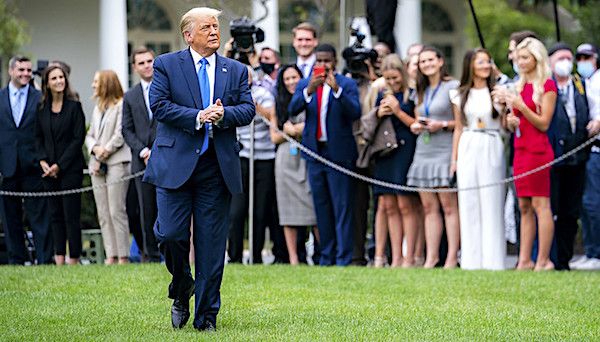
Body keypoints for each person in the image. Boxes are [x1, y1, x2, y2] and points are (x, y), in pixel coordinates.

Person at [145, 7, 254, 331]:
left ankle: (207, 317)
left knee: (210, 247)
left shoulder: (234, 70)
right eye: (207, 27)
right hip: (175, 165)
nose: (214, 32)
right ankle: (182, 287)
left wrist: (224, 116)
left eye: (216, 27)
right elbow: (159, 105)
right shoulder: (166, 65)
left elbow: (247, 109)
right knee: (170, 235)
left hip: (216, 167)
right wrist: (198, 116)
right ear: (188, 34)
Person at [289, 44, 361, 266]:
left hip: (339, 155)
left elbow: (355, 112)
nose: (322, 65)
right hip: (315, 155)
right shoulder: (305, 84)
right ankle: (326, 257)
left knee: (342, 208)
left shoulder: (346, 84)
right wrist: (308, 91)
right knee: (321, 208)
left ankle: (343, 258)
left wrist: (337, 90)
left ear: (334, 61)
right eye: (318, 61)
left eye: (326, 61)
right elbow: (292, 110)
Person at [502, 38, 557, 271]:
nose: (521, 62)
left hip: (538, 151)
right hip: (521, 151)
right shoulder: (518, 86)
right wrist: (510, 121)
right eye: (519, 57)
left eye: (525, 57)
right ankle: (524, 260)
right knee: (523, 205)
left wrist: (522, 108)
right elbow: (514, 122)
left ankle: (544, 260)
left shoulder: (547, 86)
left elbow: (544, 123)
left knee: (540, 204)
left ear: (537, 58)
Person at [450, 48, 506, 270]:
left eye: (487, 61)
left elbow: (504, 123)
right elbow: (458, 127)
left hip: (491, 142)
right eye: (480, 61)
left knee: (491, 199)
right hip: (468, 143)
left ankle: (494, 260)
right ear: (470, 65)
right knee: (469, 201)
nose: (485, 65)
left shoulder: (498, 92)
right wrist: (454, 159)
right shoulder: (459, 93)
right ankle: (471, 260)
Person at [406, 46, 460, 269]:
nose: (426, 64)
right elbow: (417, 117)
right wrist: (417, 126)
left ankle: (451, 258)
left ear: (440, 61)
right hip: (423, 149)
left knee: (448, 206)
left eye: (430, 60)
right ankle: (431, 257)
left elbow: (461, 123)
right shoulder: (420, 89)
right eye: (422, 61)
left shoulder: (453, 86)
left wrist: (443, 125)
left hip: (445, 148)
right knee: (428, 207)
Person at [0, 56, 52, 265]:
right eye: (21, 70)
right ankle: (16, 259)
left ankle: (44, 259)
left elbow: (45, 132)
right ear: (11, 71)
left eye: (29, 70)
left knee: (39, 216)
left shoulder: (40, 97)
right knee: (10, 217)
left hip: (33, 164)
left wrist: (44, 158)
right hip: (7, 166)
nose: (25, 74)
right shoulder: (0, 97)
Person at [546, 43, 592, 270]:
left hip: (578, 157)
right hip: (553, 158)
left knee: (571, 211)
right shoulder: (546, 86)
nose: (566, 62)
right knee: (551, 209)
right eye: (560, 58)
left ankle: (564, 259)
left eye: (568, 57)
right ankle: (549, 257)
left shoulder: (582, 85)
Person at [35, 64, 86, 265]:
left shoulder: (75, 106)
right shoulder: (41, 109)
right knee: (54, 215)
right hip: (47, 171)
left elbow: (77, 139)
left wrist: (60, 165)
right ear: (47, 83)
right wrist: (43, 162)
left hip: (70, 170)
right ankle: (59, 259)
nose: (59, 81)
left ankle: (73, 259)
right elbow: (37, 138)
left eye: (61, 77)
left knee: (71, 216)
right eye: (54, 78)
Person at [371, 54, 418, 268]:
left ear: (403, 73)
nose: (392, 82)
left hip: (405, 149)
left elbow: (416, 124)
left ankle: (409, 257)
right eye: (387, 78)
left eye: (395, 77)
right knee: (388, 205)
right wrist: (378, 113)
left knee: (404, 204)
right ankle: (395, 256)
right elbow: (371, 122)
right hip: (385, 151)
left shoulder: (412, 94)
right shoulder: (381, 94)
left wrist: (397, 111)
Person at [228, 67, 277, 264]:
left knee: (259, 209)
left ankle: (256, 256)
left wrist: (256, 107)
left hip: (263, 157)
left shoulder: (263, 94)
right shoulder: (229, 94)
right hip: (240, 155)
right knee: (237, 210)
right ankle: (235, 255)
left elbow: (272, 118)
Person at [270, 64, 318, 265]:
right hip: (286, 159)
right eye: (287, 79)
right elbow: (274, 137)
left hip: (309, 155)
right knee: (287, 209)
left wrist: (300, 129)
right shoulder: (278, 103)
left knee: (314, 207)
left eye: (294, 77)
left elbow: (317, 126)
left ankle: (320, 254)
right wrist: (288, 132)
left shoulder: (311, 97)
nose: (291, 82)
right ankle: (293, 258)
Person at [85, 70, 132, 265]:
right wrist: (95, 149)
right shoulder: (97, 109)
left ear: (106, 84)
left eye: (96, 81)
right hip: (97, 164)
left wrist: (106, 150)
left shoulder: (121, 105)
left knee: (116, 210)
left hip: (116, 162)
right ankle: (110, 255)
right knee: (103, 212)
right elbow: (90, 135)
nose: (93, 85)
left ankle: (123, 256)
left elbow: (121, 133)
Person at [121, 47, 161, 263]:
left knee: (166, 208)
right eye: (142, 63)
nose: (147, 65)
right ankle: (151, 255)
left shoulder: (167, 89)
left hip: (165, 157)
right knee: (145, 209)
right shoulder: (130, 96)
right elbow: (126, 129)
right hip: (141, 161)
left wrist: (157, 148)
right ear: (135, 67)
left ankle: (170, 253)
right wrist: (143, 150)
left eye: (150, 61)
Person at [573, 43, 600, 270]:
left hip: (596, 148)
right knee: (586, 203)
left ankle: (596, 253)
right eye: (579, 57)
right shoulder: (584, 83)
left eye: (586, 57)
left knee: (592, 203)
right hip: (587, 149)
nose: (582, 61)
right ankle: (592, 251)